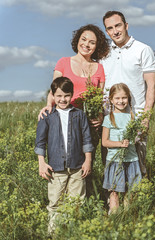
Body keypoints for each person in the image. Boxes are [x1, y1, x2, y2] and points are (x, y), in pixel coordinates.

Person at [38, 24, 110, 196]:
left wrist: (99, 116)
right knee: (63, 161)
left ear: (96, 46)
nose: (86, 44)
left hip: (88, 123)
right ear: (77, 40)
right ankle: (59, 201)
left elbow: (99, 97)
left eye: (92, 42)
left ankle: (84, 203)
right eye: (83, 39)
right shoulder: (63, 62)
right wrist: (49, 106)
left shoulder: (99, 68)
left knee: (85, 165)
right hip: (63, 118)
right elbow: (54, 90)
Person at [101, 11, 155, 176]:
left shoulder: (143, 50)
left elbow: (152, 86)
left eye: (118, 25)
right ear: (106, 31)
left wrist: (145, 117)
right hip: (109, 118)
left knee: (137, 168)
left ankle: (134, 201)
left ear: (126, 26)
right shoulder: (103, 53)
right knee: (111, 167)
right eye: (110, 28)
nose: (115, 31)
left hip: (135, 117)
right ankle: (113, 200)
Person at [34, 77, 93, 234]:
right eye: (59, 96)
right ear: (52, 95)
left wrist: (88, 160)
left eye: (66, 95)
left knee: (77, 202)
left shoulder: (79, 115)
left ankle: (72, 233)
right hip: (56, 168)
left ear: (72, 95)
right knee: (55, 203)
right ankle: (53, 234)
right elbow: (40, 142)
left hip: (77, 167)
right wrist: (42, 163)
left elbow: (87, 139)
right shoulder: (47, 115)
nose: (63, 99)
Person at [102, 83, 142, 213]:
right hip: (115, 160)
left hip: (131, 159)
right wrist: (119, 144)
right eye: (117, 98)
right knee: (114, 192)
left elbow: (135, 136)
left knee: (129, 192)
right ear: (111, 100)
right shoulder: (109, 118)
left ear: (128, 98)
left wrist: (136, 138)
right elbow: (105, 142)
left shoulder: (132, 117)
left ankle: (127, 217)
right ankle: (114, 217)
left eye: (124, 98)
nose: (121, 101)